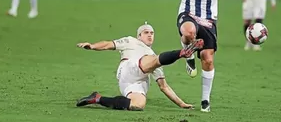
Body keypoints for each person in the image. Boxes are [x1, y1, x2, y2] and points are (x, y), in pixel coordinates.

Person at [151, 0, 249, 112]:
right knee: (188, 33)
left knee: (208, 59)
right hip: (187, 13)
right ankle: (188, 56)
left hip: (209, 19)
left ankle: (205, 101)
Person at [75, 22, 204, 111]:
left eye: (152, 33)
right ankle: (182, 53)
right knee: (150, 61)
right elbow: (108, 44)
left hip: (133, 84)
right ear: (139, 36)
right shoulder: (131, 41)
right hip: (128, 68)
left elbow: (163, 86)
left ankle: (97, 98)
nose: (149, 35)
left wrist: (181, 104)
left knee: (137, 105)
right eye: (146, 32)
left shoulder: (154, 57)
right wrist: (92, 46)